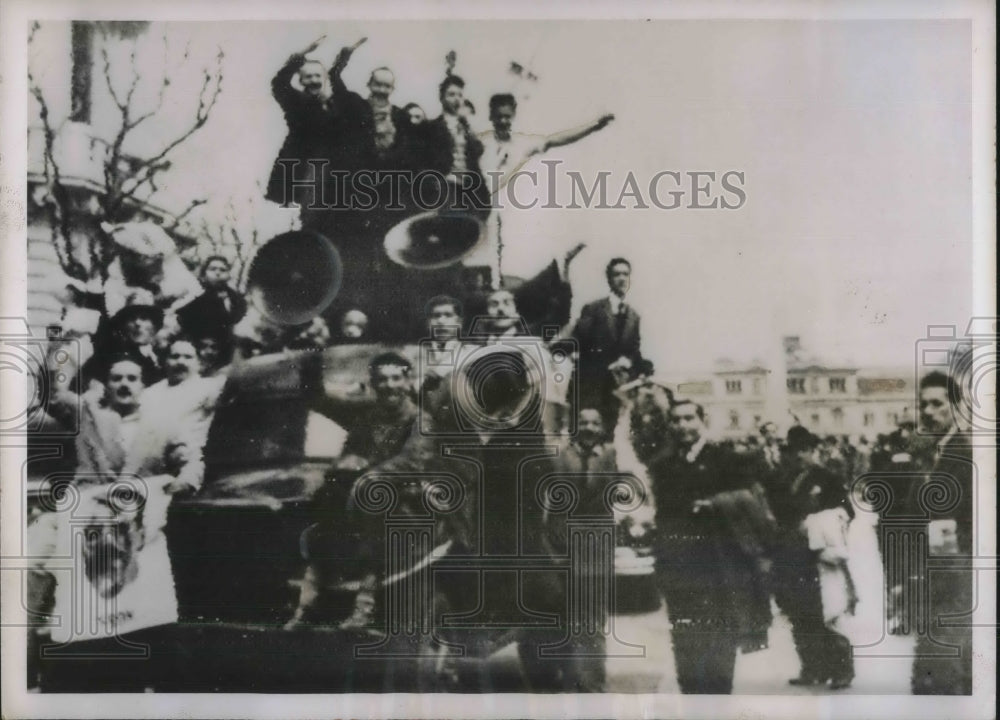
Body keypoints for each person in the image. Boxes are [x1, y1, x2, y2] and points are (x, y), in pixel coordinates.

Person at [648, 399, 775, 694]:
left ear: (702, 420)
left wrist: (715, 504)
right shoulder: (663, 464)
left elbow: (750, 498)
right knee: (686, 642)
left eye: (689, 418)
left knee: (720, 642)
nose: (683, 425)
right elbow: (663, 515)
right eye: (676, 420)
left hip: (721, 567)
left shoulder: (725, 458)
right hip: (681, 569)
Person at [767, 426, 854, 689]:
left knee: (825, 613)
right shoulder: (782, 478)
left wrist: (819, 523)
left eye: (804, 450)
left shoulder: (826, 478)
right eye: (793, 451)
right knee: (798, 612)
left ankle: (841, 670)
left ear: (812, 450)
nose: (799, 455)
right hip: (789, 553)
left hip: (818, 557)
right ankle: (811, 667)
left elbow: (846, 512)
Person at [910, 371, 974, 695]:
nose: (929, 411)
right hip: (937, 573)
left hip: (955, 572)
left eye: (937, 403)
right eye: (923, 405)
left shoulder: (964, 453)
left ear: (956, 406)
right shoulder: (933, 453)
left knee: (945, 661)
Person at [313, 351, 419, 471]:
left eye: (396, 378)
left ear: (408, 382)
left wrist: (367, 464)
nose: (389, 385)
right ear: (372, 384)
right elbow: (318, 401)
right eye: (382, 379)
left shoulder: (419, 420)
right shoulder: (365, 415)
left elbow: (414, 462)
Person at [570, 258, 643, 433]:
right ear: (609, 279)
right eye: (616, 274)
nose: (622, 278)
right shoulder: (594, 309)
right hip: (591, 386)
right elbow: (579, 342)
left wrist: (627, 361)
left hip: (617, 389)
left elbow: (634, 350)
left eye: (626, 274)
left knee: (612, 434)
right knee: (588, 432)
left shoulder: (634, 316)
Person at [175, 256, 247, 343]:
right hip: (195, 341)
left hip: (225, 343)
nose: (218, 273)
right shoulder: (193, 294)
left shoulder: (235, 298)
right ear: (204, 274)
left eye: (223, 270)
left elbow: (237, 318)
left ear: (228, 275)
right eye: (212, 269)